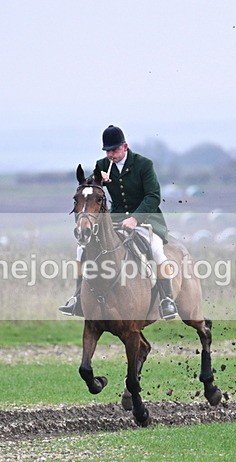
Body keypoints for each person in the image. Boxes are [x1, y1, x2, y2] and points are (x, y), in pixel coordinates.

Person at [60, 125, 178, 320]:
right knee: (82, 249)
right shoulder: (102, 165)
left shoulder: (144, 164)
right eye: (107, 150)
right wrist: (98, 180)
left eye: (114, 150)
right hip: (114, 220)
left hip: (147, 219)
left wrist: (135, 218)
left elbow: (153, 196)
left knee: (156, 249)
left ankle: (167, 300)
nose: (110, 154)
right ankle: (77, 298)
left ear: (125, 147)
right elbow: (89, 190)